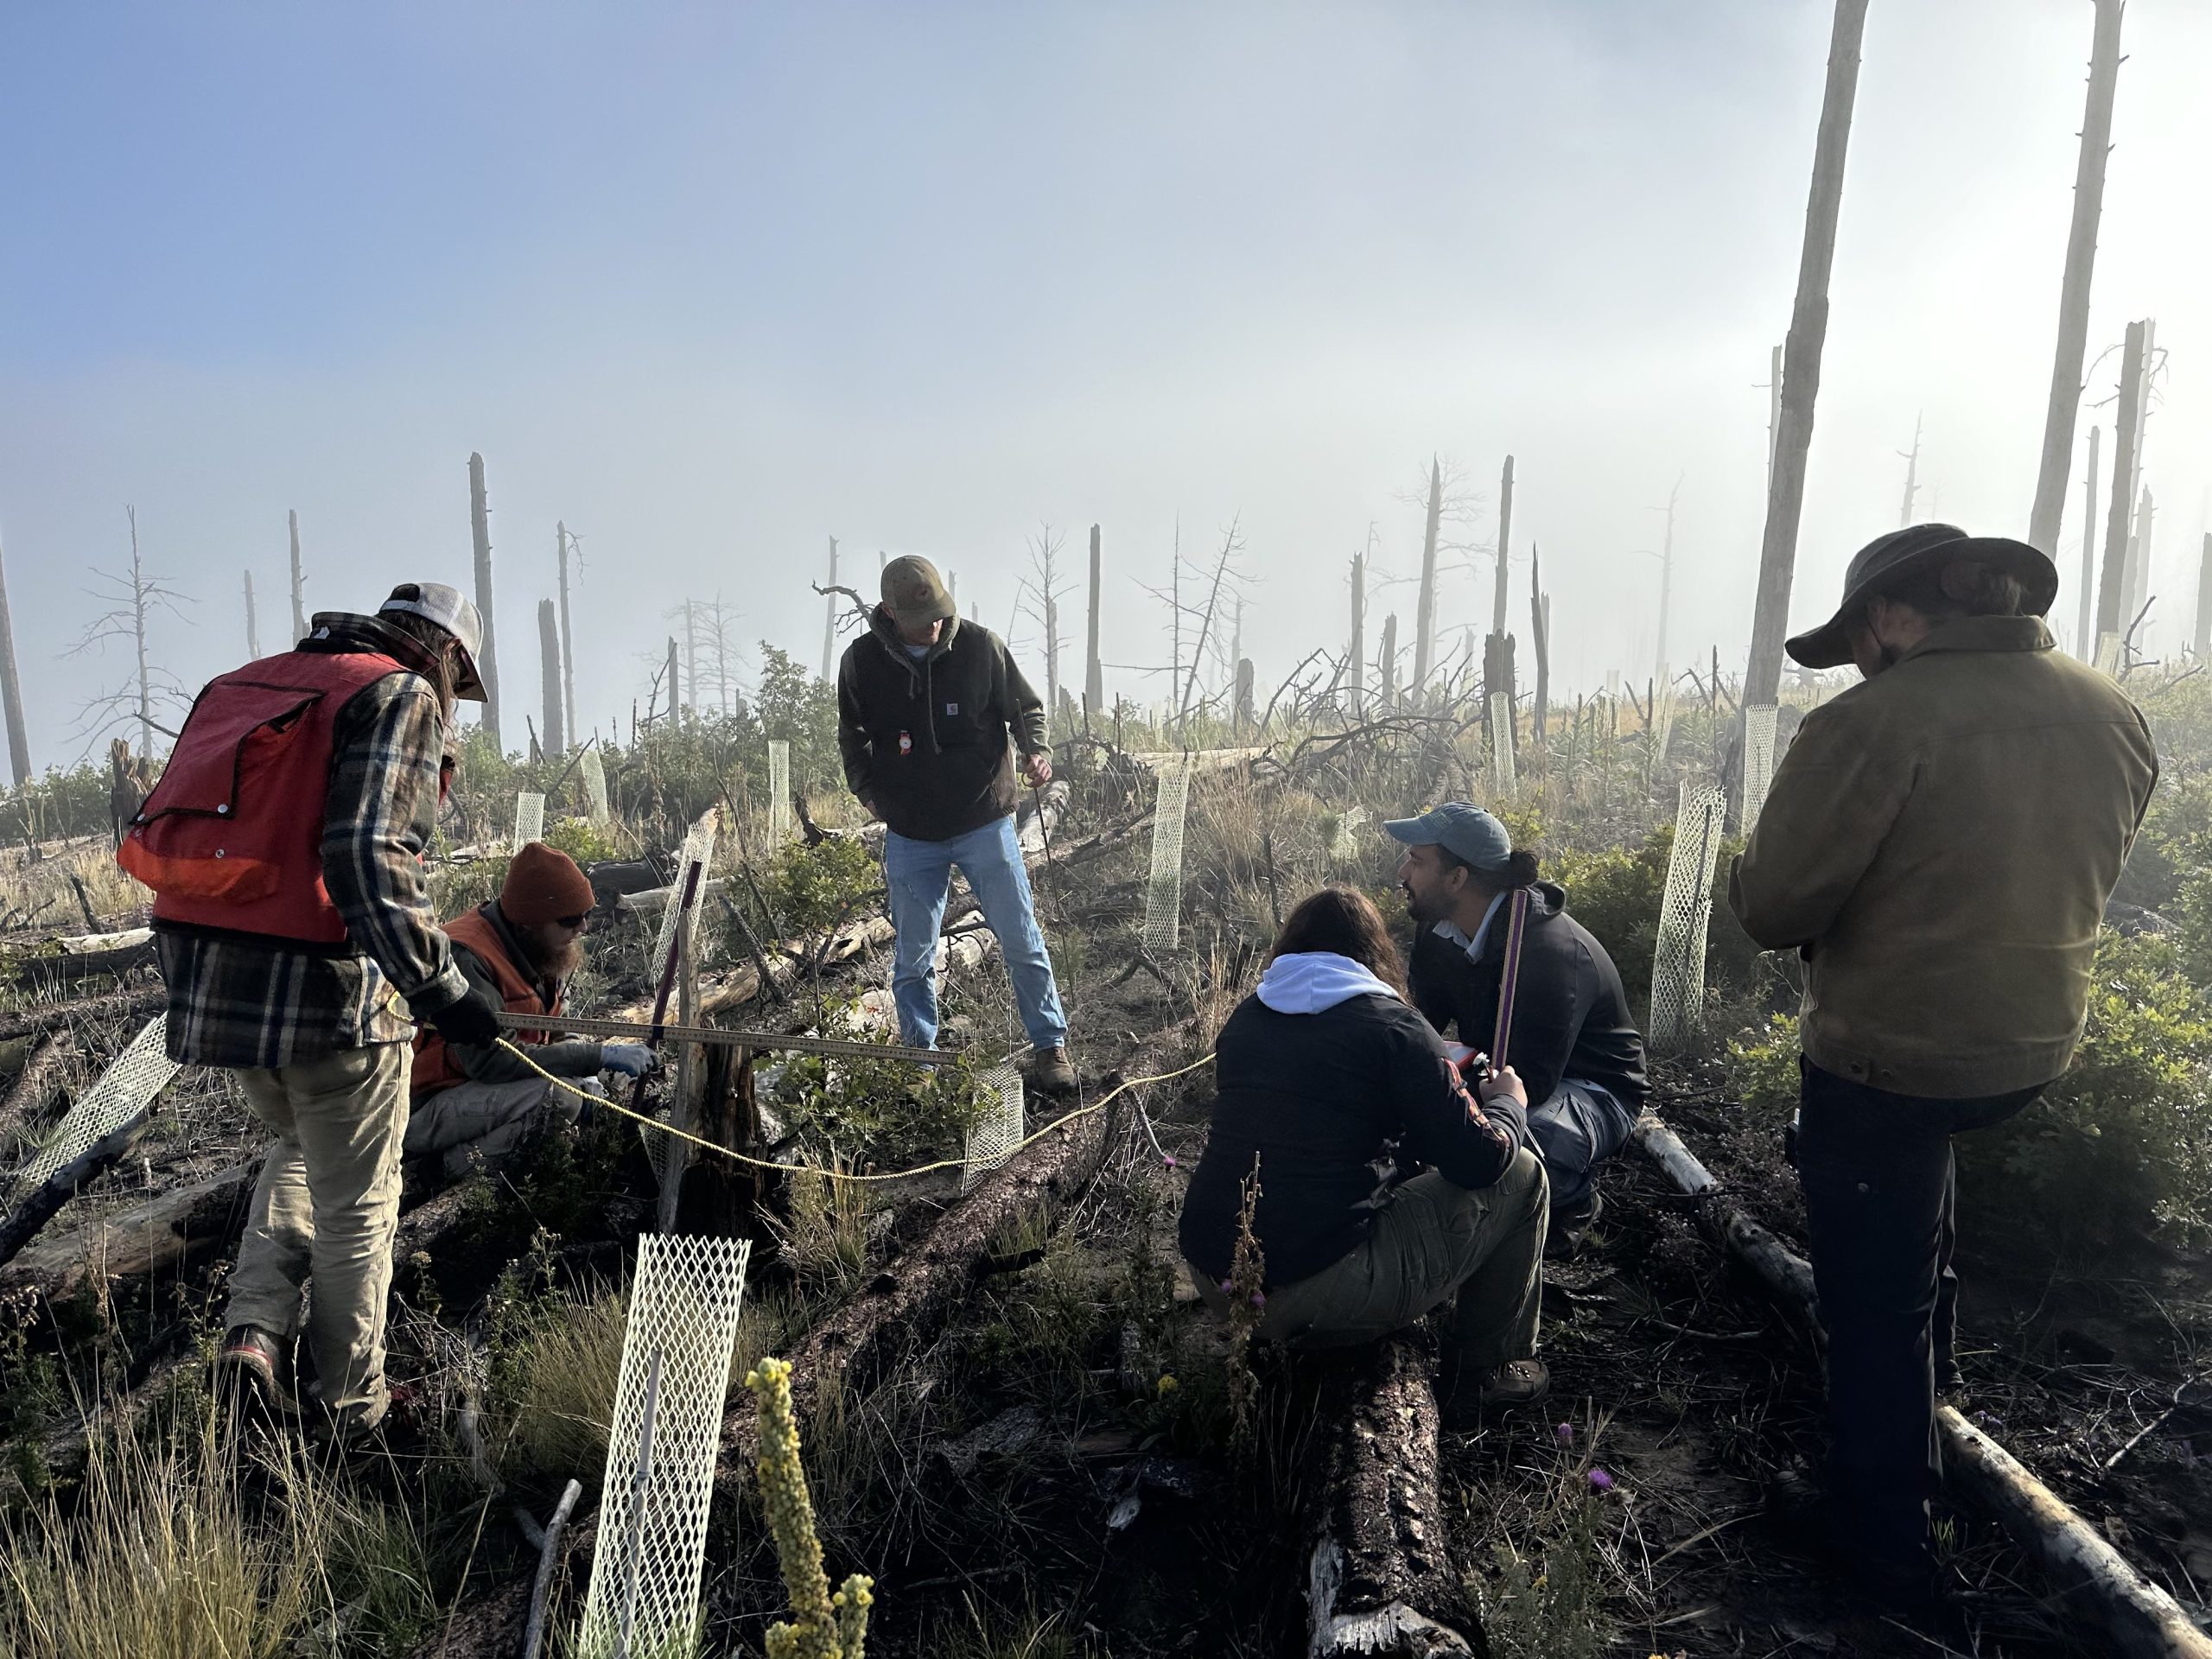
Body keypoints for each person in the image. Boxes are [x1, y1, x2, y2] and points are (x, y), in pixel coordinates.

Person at [1730, 523, 2158, 1607]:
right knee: (1917, 1206)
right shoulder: (2111, 711)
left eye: (1857, 634)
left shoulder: (1874, 721)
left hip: (1891, 1057)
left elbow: (1775, 908)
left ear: (1886, 615)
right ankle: (1939, 1400)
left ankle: (1881, 1535)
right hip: (2029, 1048)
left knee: (1872, 1302)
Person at [123, 582, 509, 1437]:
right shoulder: (397, 694)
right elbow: (367, 854)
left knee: (297, 1149)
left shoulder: (244, 684)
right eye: (461, 685)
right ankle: (350, 1411)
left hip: (217, 992)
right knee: (360, 1205)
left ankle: (255, 1336)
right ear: (445, 654)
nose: (455, 704)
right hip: (329, 998)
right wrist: (442, 988)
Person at [1178, 887, 1550, 1422]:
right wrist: (1508, 1105)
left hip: (1217, 1278)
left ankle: (1268, 1338)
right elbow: (1479, 1162)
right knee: (1524, 1176)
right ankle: (1484, 1373)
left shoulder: (1247, 1019)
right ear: (1376, 954)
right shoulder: (1395, 1026)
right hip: (1318, 1291)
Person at [836, 554, 1075, 1095]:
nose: (936, 625)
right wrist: (867, 792)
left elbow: (1026, 709)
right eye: (924, 619)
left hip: (984, 822)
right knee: (913, 956)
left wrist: (1035, 751)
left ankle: (1050, 1046)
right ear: (892, 616)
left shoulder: (981, 648)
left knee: (1020, 937)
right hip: (911, 835)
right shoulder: (861, 663)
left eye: (941, 612)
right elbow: (852, 735)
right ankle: (922, 1065)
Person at [1389, 803, 1649, 1254]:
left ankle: (1574, 1199)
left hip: (1592, 1087)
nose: (1403, 871)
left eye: (1417, 860)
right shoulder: (1438, 931)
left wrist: (1446, 1113)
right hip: (1500, 1066)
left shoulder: (1549, 954)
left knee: (1529, 1145)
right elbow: (1416, 1027)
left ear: (1458, 878)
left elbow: (1534, 1082)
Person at [406, 840, 656, 1179]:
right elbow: (490, 1062)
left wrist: (588, 1069)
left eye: (586, 915)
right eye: (570, 920)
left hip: (484, 1089)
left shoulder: (541, 945)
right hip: (428, 1103)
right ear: (528, 923)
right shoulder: (467, 957)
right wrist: (593, 1056)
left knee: (599, 1084)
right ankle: (441, 1170)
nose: (582, 928)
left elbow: (554, 1025)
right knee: (559, 1101)